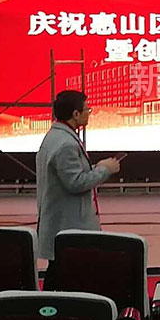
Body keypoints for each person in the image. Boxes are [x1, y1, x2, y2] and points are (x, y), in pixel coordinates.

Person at [36, 90, 120, 270]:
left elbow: (70, 174)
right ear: (75, 114)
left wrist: (97, 167)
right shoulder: (66, 144)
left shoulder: (56, 136)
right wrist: (105, 170)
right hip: (69, 225)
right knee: (71, 273)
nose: (89, 113)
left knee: (60, 271)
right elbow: (76, 183)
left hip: (61, 223)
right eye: (86, 109)